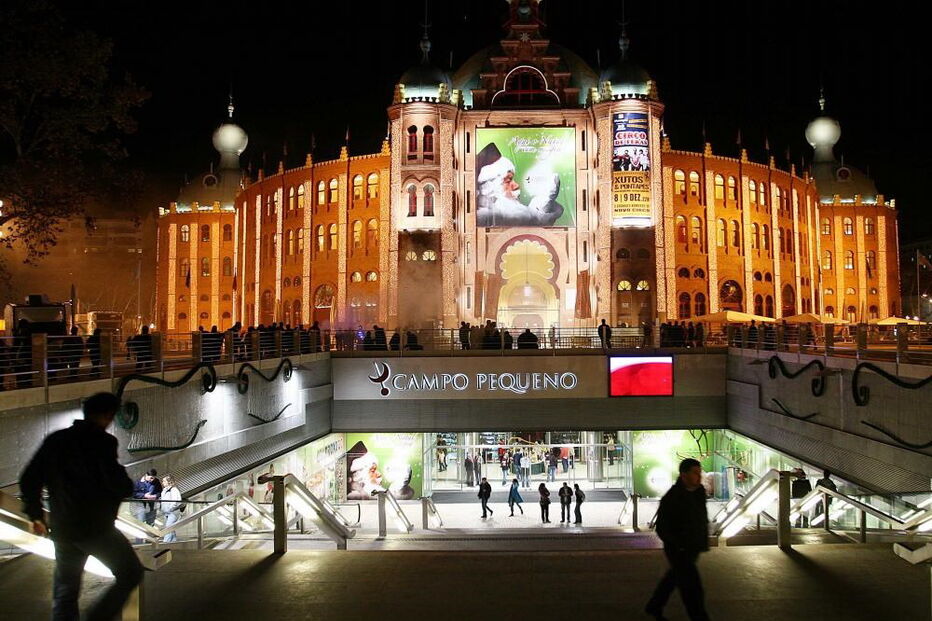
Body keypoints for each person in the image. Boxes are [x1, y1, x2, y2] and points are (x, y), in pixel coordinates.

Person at [19, 392, 143, 621]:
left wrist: (36, 515)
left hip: (62, 528)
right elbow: (117, 483)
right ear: (108, 415)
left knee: (65, 590)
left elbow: (29, 479)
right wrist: (126, 486)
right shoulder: (103, 443)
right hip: (97, 528)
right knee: (131, 573)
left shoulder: (55, 440)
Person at [646, 458, 711, 621]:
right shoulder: (672, 498)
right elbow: (662, 527)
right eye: (695, 473)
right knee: (691, 587)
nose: (699, 476)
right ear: (684, 475)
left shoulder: (699, 492)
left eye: (700, 472)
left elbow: (701, 518)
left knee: (674, 578)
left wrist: (702, 540)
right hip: (679, 550)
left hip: (693, 547)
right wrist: (678, 545)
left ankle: (654, 606)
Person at [160, 475, 183, 543]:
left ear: (169, 482)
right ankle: (173, 543)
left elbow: (175, 501)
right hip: (166, 512)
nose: (162, 482)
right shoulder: (164, 490)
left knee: (168, 528)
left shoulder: (174, 490)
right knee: (171, 529)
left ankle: (165, 543)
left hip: (173, 512)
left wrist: (170, 509)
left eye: (164, 481)